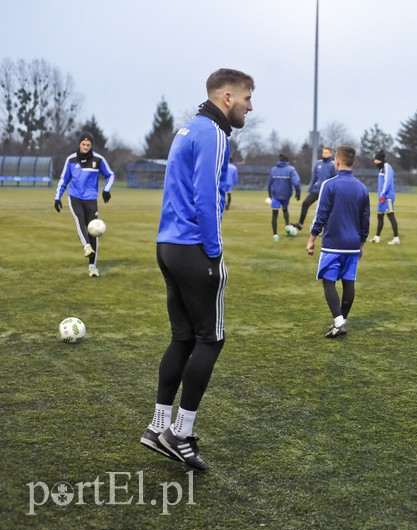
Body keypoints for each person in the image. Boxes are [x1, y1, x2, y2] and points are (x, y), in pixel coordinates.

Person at [139, 68, 254, 471]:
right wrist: (214, 250)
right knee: (211, 339)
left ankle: (157, 426)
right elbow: (206, 196)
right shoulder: (215, 134)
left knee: (183, 338)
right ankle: (180, 433)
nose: (249, 107)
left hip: (167, 245)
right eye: (246, 99)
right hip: (193, 249)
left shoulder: (187, 129)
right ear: (227, 98)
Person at [306, 145, 370, 338]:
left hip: (333, 243)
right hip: (352, 244)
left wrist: (312, 238)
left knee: (329, 282)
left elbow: (321, 214)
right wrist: (361, 244)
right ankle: (342, 321)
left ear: (338, 161)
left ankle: (339, 321)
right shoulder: (362, 187)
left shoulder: (329, 184)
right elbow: (365, 219)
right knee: (349, 282)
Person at [53, 132, 115, 277]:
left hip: (91, 199)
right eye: (83, 144)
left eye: (88, 145)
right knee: (80, 221)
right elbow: (63, 180)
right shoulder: (71, 159)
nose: (85, 147)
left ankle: (92, 266)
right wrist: (57, 197)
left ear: (91, 145)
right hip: (74, 197)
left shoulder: (98, 160)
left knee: (93, 231)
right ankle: (86, 246)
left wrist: (106, 190)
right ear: (79, 144)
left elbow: (110, 175)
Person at [292, 146, 336, 231]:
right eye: (323, 152)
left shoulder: (333, 165)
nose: (324, 154)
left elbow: (335, 179)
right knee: (305, 203)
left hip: (327, 191)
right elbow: (313, 178)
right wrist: (309, 190)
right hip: (316, 190)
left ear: (330, 154)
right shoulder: (318, 163)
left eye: (326, 153)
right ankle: (300, 224)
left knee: (325, 210)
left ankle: (326, 229)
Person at [266, 154, 301, 241]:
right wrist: (298, 192)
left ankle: (275, 235)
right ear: (287, 162)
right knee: (285, 210)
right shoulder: (291, 169)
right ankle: (287, 228)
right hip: (286, 195)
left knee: (274, 214)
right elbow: (296, 182)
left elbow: (269, 183)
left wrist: (269, 194)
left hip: (275, 195)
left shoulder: (273, 169)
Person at [368, 150, 399, 245]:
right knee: (380, 216)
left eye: (375, 160)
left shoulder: (387, 167)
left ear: (380, 160)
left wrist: (382, 194)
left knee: (391, 216)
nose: (374, 162)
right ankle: (377, 237)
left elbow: (387, 182)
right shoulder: (381, 169)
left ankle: (396, 238)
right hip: (381, 198)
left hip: (387, 197)